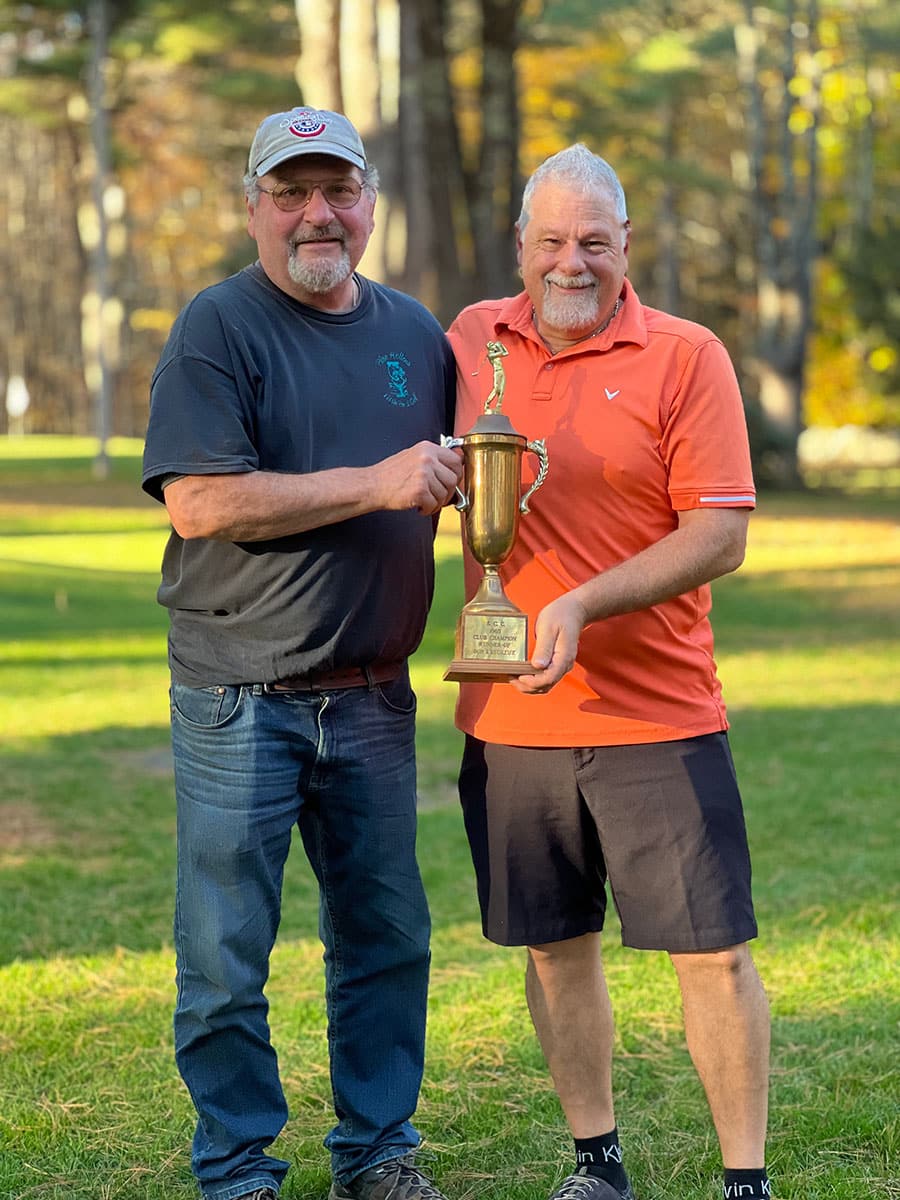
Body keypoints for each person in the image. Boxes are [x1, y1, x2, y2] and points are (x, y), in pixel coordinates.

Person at [142, 106, 463, 1200]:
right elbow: (198, 500)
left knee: (387, 943)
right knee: (227, 960)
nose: (317, 215)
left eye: (338, 191)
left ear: (370, 204)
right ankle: (238, 1169)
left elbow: (457, 470)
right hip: (242, 695)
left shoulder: (417, 334)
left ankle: (378, 1155)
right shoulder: (217, 327)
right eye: (291, 193)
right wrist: (378, 482)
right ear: (255, 208)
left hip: (375, 698)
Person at [446, 144, 771, 1200]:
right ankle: (597, 1161)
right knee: (553, 949)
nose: (570, 262)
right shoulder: (470, 342)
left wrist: (582, 601)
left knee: (713, 954)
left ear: (627, 245)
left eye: (592, 241)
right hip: (510, 718)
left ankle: (744, 1180)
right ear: (521, 247)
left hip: (657, 714)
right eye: (550, 241)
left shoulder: (688, 355)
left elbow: (719, 532)